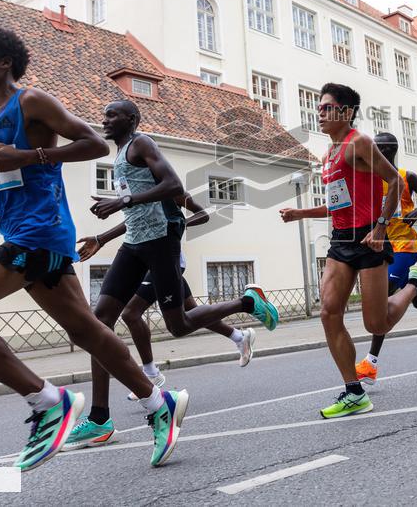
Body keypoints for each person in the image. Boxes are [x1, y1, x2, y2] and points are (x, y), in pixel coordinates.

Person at [0, 28, 185, 471]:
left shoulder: (31, 102)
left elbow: (94, 142)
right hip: (27, 231)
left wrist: (30, 156)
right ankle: (158, 402)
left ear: (4, 62)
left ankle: (49, 402)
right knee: (87, 331)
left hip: (37, 235)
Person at [66, 100, 279, 447]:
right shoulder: (119, 157)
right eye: (103, 115)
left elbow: (174, 185)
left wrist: (125, 202)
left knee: (178, 324)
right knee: (99, 321)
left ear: (131, 120)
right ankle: (99, 419)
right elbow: (137, 211)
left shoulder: (142, 143)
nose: (104, 120)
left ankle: (246, 301)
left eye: (112, 115)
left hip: (161, 243)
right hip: (135, 243)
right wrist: (102, 237)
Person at [279, 84, 417, 419]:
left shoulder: (360, 143)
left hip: (371, 238)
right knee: (329, 313)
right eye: (319, 108)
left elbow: (396, 182)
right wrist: (301, 213)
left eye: (326, 107)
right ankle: (354, 391)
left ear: (346, 112)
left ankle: (416, 282)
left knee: (376, 323)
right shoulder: (329, 156)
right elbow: (339, 204)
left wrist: (382, 226)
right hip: (341, 240)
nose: (320, 113)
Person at [77, 192, 256, 407]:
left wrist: (178, 223)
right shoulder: (137, 192)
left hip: (164, 260)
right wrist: (101, 238)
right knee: (190, 312)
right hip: (143, 258)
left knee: (131, 313)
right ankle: (239, 336)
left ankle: (151, 373)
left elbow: (203, 215)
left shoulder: (169, 188)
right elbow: (134, 221)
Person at [355, 132, 417, 385]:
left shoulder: (407, 177)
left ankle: (371, 362)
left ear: (389, 150)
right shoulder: (370, 178)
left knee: (384, 295)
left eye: (378, 148)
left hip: (405, 244)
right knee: (410, 300)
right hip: (381, 246)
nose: (374, 152)